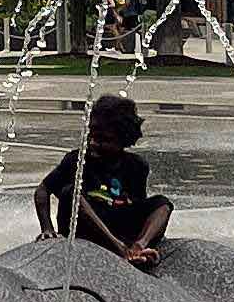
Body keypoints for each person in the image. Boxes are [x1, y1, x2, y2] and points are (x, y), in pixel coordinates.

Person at [35, 91, 172, 264]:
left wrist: (143, 234)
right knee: (71, 193)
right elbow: (43, 190)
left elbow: (137, 205)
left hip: (116, 223)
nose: (93, 143)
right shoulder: (77, 160)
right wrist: (47, 228)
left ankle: (139, 246)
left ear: (124, 140)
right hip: (85, 227)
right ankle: (120, 249)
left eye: (103, 139)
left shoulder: (137, 166)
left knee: (162, 204)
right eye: (91, 135)